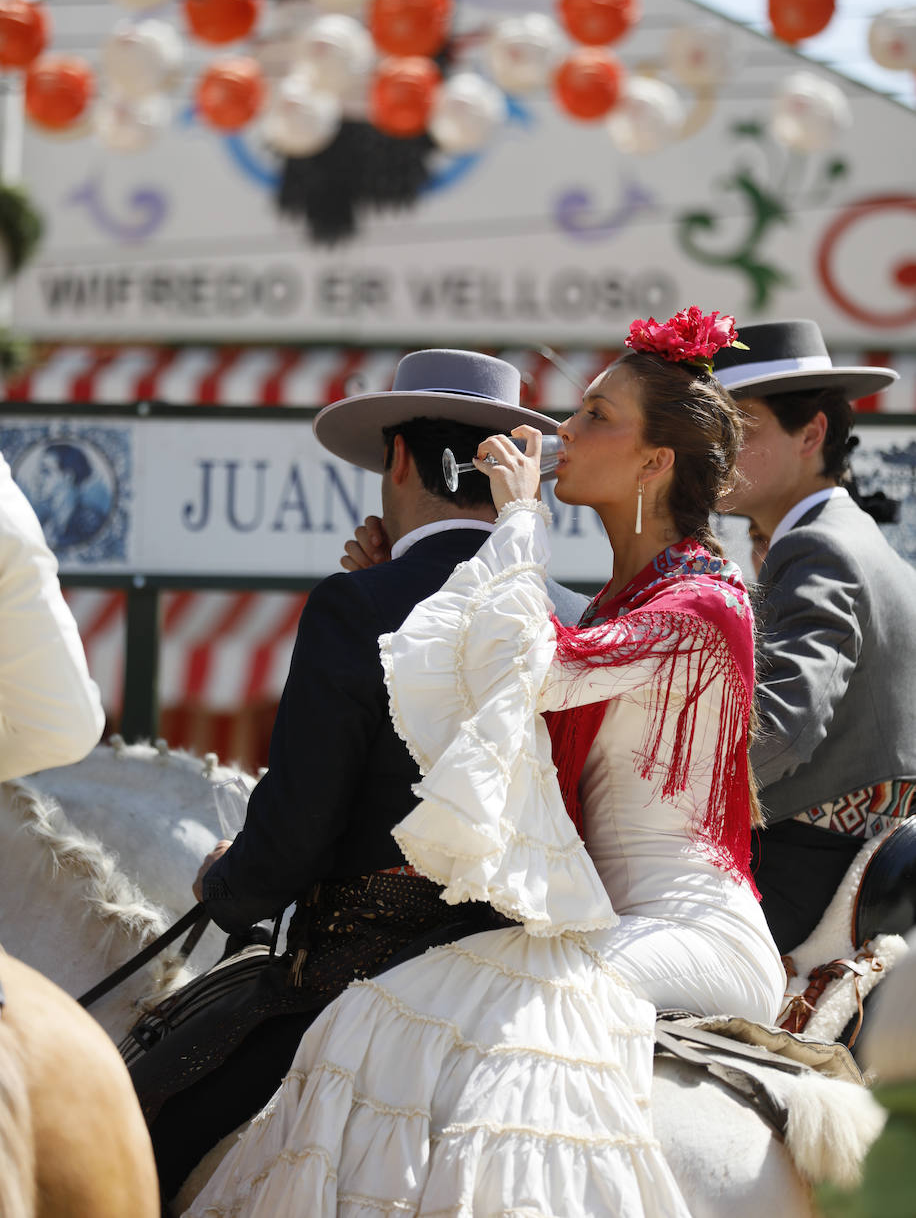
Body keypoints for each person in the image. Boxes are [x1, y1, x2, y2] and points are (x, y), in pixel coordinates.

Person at [182, 309, 784, 1218]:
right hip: (604, 919)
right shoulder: (622, 597)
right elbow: (499, 683)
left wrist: (513, 523)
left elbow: (530, 664)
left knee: (488, 1026)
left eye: (593, 417)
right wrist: (416, 579)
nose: (559, 435)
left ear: (654, 464)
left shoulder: (702, 601)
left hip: (689, 929)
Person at [137, 348, 584, 1205]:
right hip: (529, 967)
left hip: (364, 965)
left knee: (135, 1133)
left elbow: (299, 825)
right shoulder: (570, 613)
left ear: (401, 460)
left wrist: (231, 886)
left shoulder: (358, 606)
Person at [715, 319, 916, 955]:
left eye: (739, 430)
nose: (717, 452)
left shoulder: (816, 544)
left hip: (805, 874)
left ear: (812, 432)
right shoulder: (841, 537)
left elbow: (778, 732)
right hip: (840, 862)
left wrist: (661, 791)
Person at [0, 449, 105, 782]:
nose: (37, 479)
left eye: (47, 472)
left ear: (70, 478)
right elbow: (62, 727)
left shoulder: (85, 518)